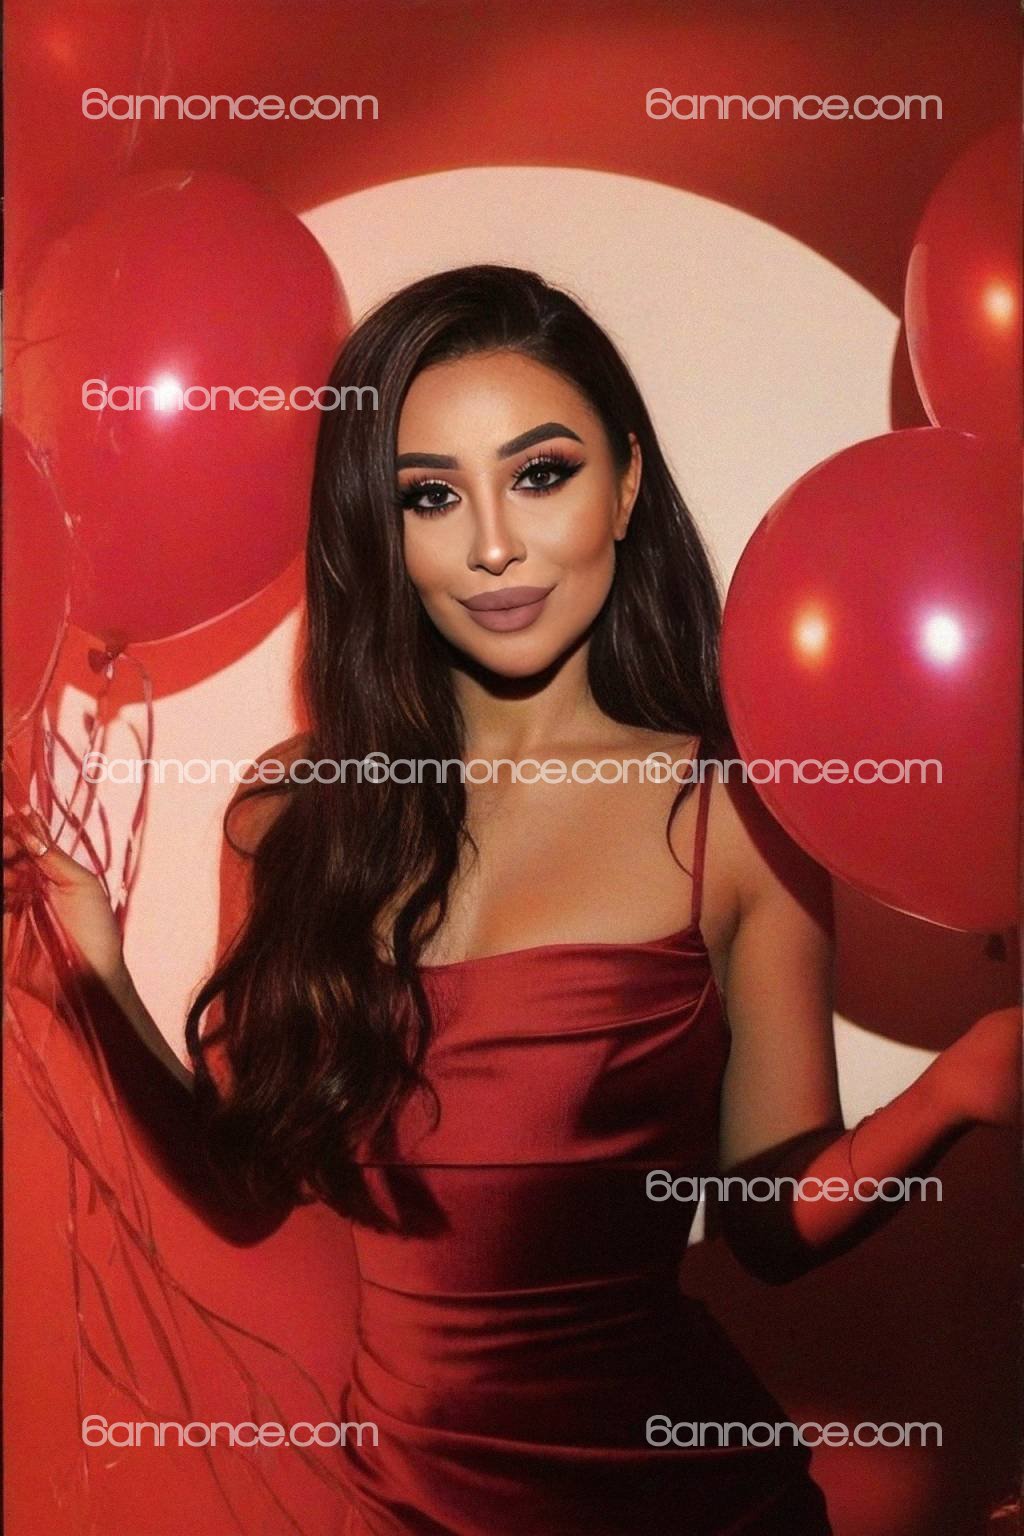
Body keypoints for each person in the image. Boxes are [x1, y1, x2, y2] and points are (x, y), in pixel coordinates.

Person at [4, 265, 1019, 1535]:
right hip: (400, 1510)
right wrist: (95, 973)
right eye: (431, 495)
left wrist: (959, 1087)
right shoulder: (295, 813)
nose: (493, 545)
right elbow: (244, 1181)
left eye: (541, 474)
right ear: (381, 530)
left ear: (625, 485)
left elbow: (766, 1220)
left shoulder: (734, 817)